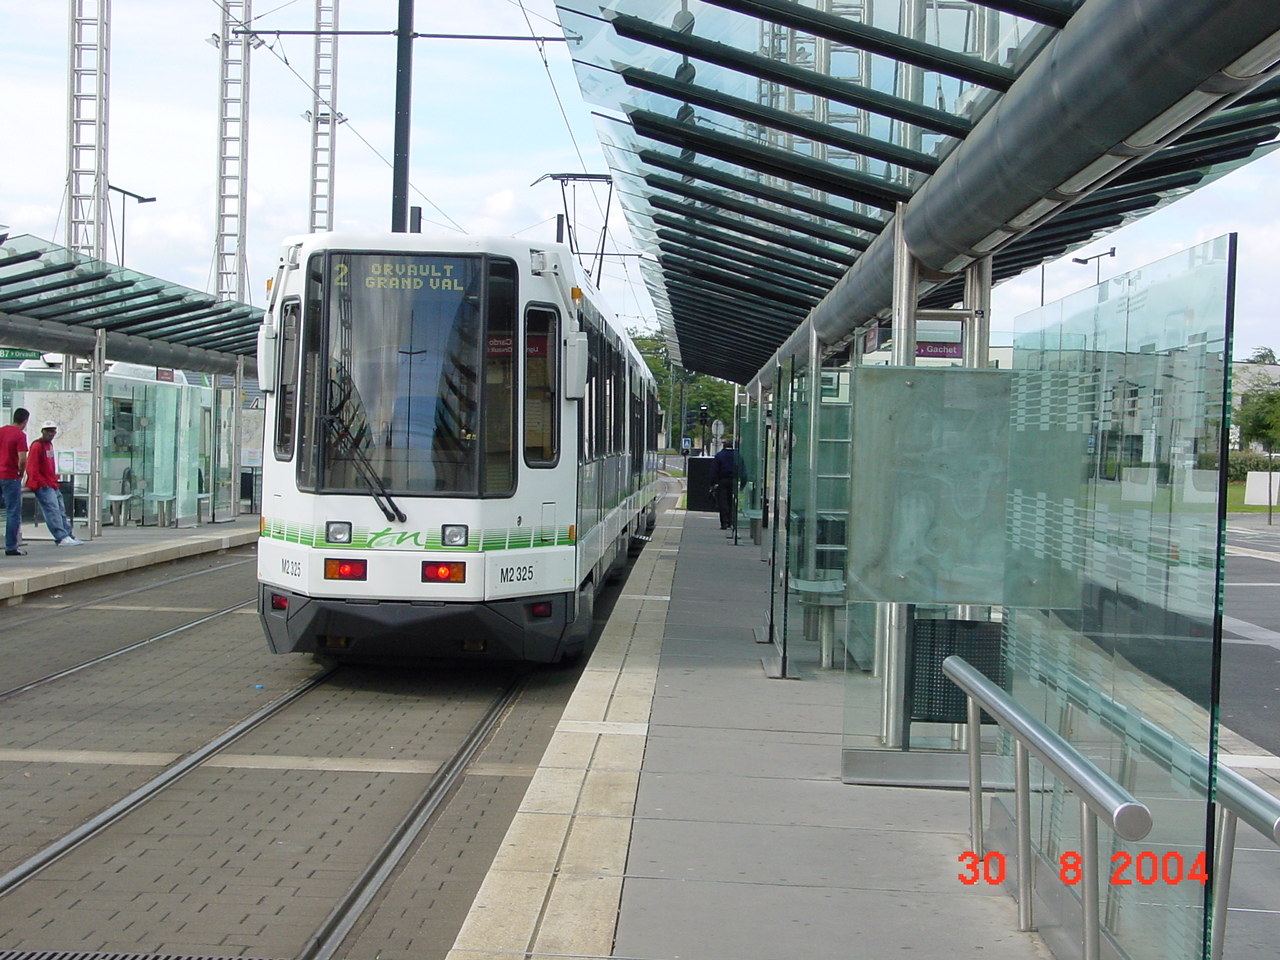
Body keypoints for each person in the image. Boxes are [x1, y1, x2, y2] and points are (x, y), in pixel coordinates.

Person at [25, 421, 82, 547]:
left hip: (51, 483)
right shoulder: (37, 446)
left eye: (52, 431)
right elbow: (32, 467)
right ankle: (61, 537)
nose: (50, 433)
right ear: (43, 431)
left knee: (60, 511)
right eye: (47, 430)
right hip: (44, 485)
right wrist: (41, 482)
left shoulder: (48, 445)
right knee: (53, 511)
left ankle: (67, 535)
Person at [1, 408, 30, 556]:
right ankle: (11, 546)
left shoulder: (1, 431)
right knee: (13, 512)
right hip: (10, 476)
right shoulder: (20, 435)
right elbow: (23, 459)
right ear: (25, 421)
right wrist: (21, 473)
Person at [710, 437, 743, 531]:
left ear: (724, 446)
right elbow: (742, 469)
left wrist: (713, 483)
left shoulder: (719, 455)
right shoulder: (737, 455)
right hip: (734, 480)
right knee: (732, 501)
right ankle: (732, 521)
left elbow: (714, 470)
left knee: (723, 501)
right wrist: (742, 482)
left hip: (722, 481)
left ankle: (724, 522)